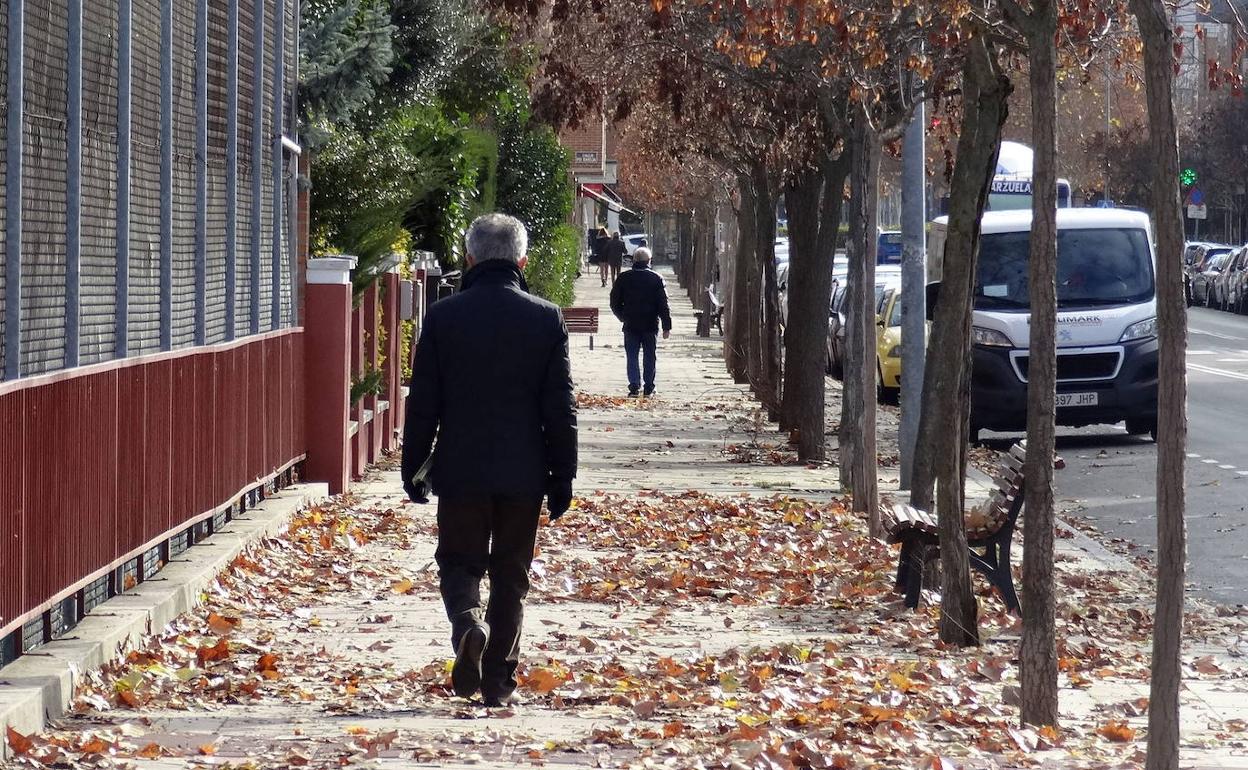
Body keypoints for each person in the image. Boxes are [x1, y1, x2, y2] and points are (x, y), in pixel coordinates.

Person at [402, 213, 578, 707]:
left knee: (459, 562)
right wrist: (563, 475)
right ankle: (498, 682)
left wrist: (414, 466)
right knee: (511, 575)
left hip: (461, 469)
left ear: (469, 258)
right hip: (525, 472)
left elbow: (424, 403)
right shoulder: (546, 318)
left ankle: (467, 626)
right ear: (523, 261)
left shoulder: (444, 317)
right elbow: (560, 407)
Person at [609, 247, 672, 397]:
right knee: (650, 356)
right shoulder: (656, 278)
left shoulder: (624, 278)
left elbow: (614, 302)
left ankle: (634, 386)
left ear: (634, 260)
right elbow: (663, 304)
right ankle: (649, 387)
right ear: (649, 261)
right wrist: (666, 326)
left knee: (632, 356)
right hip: (650, 323)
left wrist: (622, 316)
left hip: (630, 323)